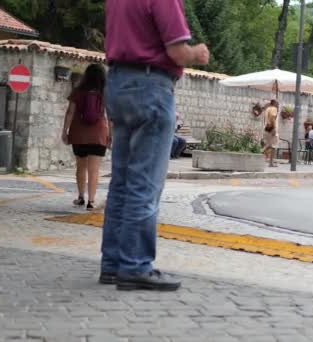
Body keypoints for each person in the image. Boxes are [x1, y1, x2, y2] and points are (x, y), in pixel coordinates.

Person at [102, 0, 209, 292]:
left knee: (121, 183)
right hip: (150, 86)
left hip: (118, 83)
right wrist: (197, 53)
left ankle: (112, 264)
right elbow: (177, 51)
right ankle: (135, 266)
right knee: (144, 184)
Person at [61, 64, 109, 211]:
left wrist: (65, 131)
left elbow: (70, 112)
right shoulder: (105, 93)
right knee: (94, 170)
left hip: (79, 134)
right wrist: (111, 135)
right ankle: (91, 201)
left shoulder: (78, 91)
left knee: (81, 167)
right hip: (99, 135)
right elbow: (111, 117)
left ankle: (81, 197)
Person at [262, 100, 279, 167]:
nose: (278, 106)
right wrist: (274, 128)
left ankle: (259, 153)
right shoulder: (273, 109)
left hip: (266, 129)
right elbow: (272, 117)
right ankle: (271, 163)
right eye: (277, 104)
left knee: (268, 145)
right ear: (274, 104)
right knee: (274, 146)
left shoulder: (267, 109)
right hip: (272, 129)